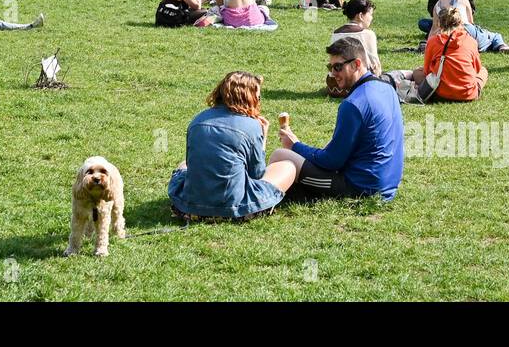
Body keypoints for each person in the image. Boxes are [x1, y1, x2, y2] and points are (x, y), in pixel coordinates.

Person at [269, 38, 404, 202]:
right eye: (330, 67)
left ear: (356, 64)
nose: (333, 73)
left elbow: (332, 161)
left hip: (361, 189)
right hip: (387, 184)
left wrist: (295, 145)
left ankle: (260, 201)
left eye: (338, 67)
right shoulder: (387, 89)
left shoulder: (353, 104)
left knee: (280, 155)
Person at [167, 71, 294, 221]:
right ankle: (259, 206)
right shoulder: (251, 125)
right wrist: (263, 138)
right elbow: (257, 174)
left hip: (189, 206)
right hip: (234, 208)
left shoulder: (197, 120)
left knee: (183, 165)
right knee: (288, 166)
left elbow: (190, 163)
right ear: (248, 97)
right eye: (258, 97)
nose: (259, 102)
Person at [389, 7, 487, 102]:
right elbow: (477, 69)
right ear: (461, 22)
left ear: (439, 23)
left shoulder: (433, 41)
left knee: (417, 72)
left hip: (440, 92)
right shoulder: (471, 41)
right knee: (483, 70)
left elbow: (426, 71)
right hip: (468, 94)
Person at [330, 0, 380, 76]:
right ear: (360, 16)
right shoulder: (367, 34)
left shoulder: (335, 33)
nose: (371, 18)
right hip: (360, 80)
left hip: (336, 80)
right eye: (370, 14)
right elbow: (375, 66)